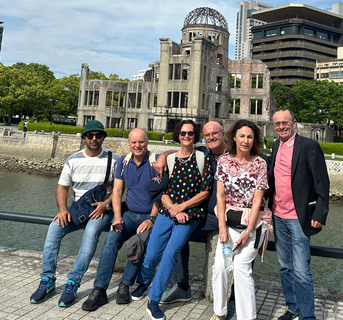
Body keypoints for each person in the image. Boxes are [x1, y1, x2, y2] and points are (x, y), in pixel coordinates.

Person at [30, 120, 119, 307]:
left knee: (91, 234)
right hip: (77, 209)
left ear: (103, 137)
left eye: (98, 135)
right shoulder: (73, 160)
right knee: (54, 228)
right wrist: (62, 210)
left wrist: (106, 204)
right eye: (90, 135)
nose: (94, 139)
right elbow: (62, 187)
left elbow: (118, 190)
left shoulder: (114, 160)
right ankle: (47, 280)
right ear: (84, 138)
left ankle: (73, 282)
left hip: (101, 210)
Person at [135, 119, 213, 320]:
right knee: (151, 255)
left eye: (190, 133)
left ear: (195, 136)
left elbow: (205, 192)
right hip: (167, 211)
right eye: (183, 133)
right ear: (177, 136)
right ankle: (143, 282)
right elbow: (162, 190)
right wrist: (172, 208)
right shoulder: (170, 160)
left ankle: (154, 299)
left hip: (190, 214)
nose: (187, 136)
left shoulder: (202, 157)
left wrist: (182, 207)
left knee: (170, 253)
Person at [81, 128, 160, 311]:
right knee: (110, 242)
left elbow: (161, 194)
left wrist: (151, 218)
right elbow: (117, 191)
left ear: (147, 143)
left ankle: (125, 284)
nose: (137, 145)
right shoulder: (123, 162)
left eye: (141, 142)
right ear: (129, 144)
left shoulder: (155, 161)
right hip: (129, 214)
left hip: (149, 216)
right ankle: (99, 289)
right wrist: (117, 217)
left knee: (136, 243)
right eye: (134, 142)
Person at [155, 121, 226, 304]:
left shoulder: (233, 155)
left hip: (226, 214)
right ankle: (182, 285)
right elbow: (182, 150)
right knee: (177, 232)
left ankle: (230, 297)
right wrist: (163, 155)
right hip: (202, 212)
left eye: (215, 133)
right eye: (207, 135)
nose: (211, 137)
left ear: (223, 133)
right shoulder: (204, 152)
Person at [269, 109, 330, 320]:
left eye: (285, 123)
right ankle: (292, 307)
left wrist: (320, 214)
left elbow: (322, 182)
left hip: (299, 217)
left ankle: (307, 316)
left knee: (302, 271)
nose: (281, 127)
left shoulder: (309, 146)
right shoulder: (275, 145)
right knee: (285, 267)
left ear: (294, 123)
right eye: (277, 124)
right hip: (278, 215)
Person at [211, 120, 272, 320]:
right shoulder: (224, 161)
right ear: (234, 138)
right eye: (242, 136)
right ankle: (219, 313)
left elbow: (257, 201)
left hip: (253, 224)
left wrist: (249, 231)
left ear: (254, 140)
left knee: (241, 269)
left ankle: (247, 317)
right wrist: (221, 227)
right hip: (228, 224)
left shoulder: (260, 164)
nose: (246, 141)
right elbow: (220, 196)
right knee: (220, 266)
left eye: (250, 137)